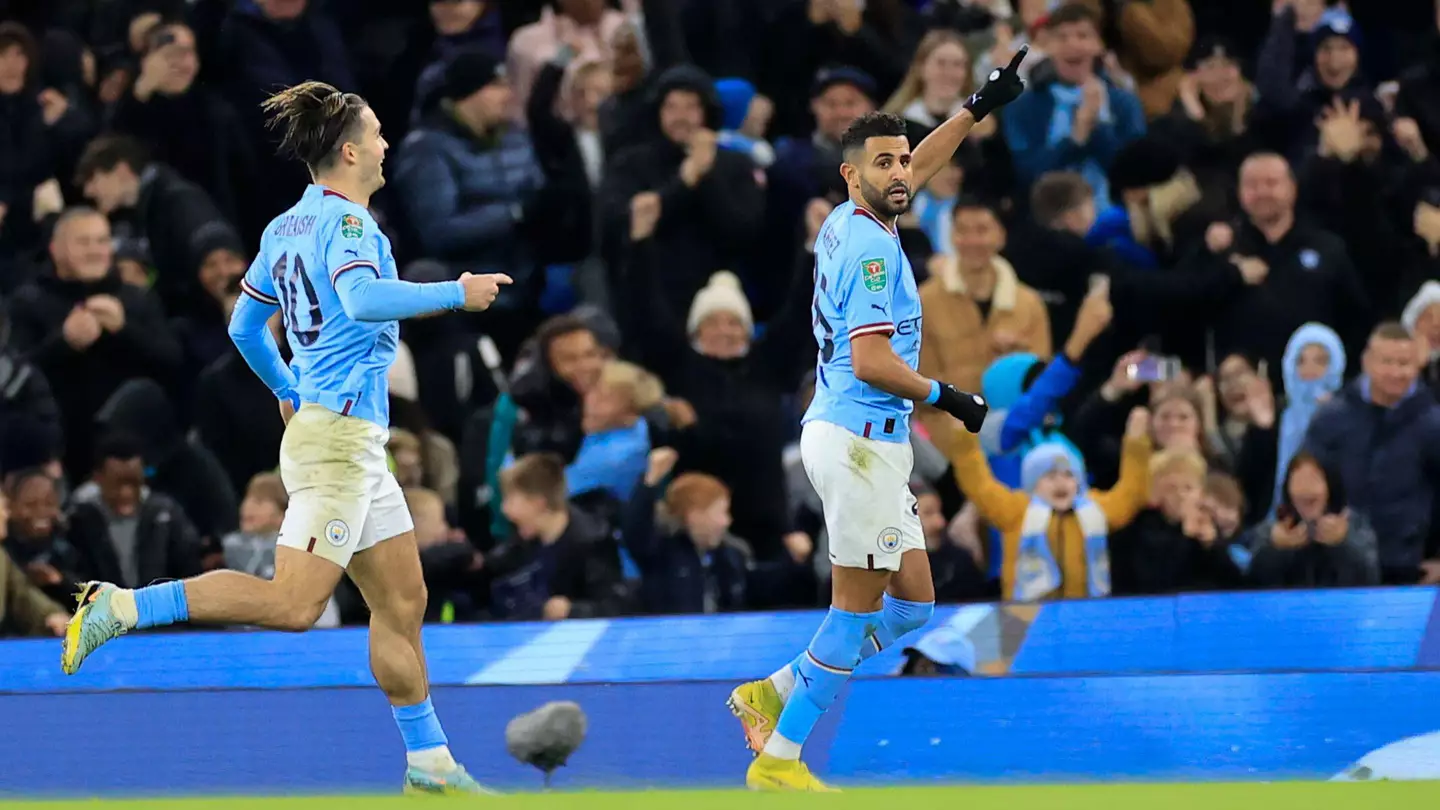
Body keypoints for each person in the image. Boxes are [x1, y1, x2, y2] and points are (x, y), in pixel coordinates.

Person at [58, 81, 509, 795]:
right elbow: (362, 301)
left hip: (345, 437)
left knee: (403, 601)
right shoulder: (353, 227)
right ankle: (122, 606)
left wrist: (287, 389)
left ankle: (430, 764)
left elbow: (244, 328)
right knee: (296, 606)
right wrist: (458, 290)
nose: (389, 144)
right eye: (380, 133)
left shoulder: (284, 228)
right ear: (352, 149)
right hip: (336, 442)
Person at [724, 50, 1028, 792]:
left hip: (867, 442)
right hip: (859, 437)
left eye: (903, 160)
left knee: (913, 604)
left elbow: (919, 162)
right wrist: (951, 398)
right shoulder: (869, 251)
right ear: (851, 174)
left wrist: (977, 108)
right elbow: (871, 361)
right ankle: (782, 760)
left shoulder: (849, 216)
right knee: (855, 609)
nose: (902, 172)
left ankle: (775, 690)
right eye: (884, 163)